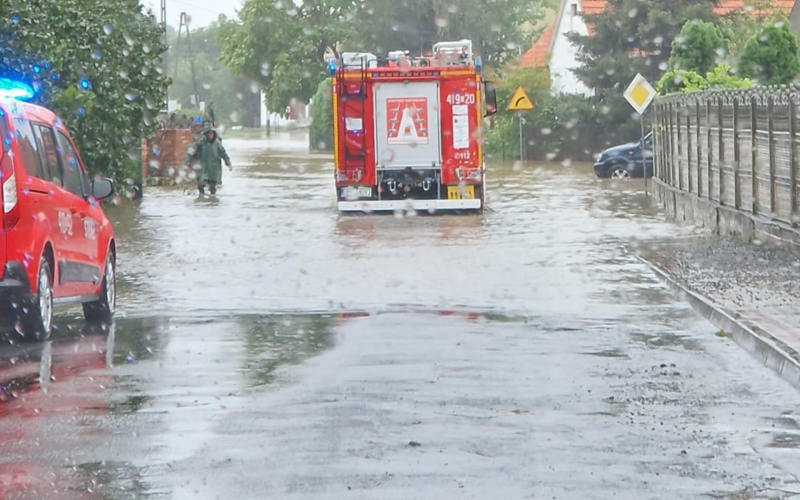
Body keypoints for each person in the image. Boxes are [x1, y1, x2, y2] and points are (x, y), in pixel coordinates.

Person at [185, 125, 231, 195]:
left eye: (212, 133)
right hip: (202, 168)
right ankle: (202, 199)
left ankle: (212, 201)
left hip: (213, 169)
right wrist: (188, 162)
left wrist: (228, 164)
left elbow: (223, 153)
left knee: (213, 188)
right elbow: (191, 152)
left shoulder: (217, 143)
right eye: (209, 133)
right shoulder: (200, 143)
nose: (211, 135)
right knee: (200, 185)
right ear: (206, 134)